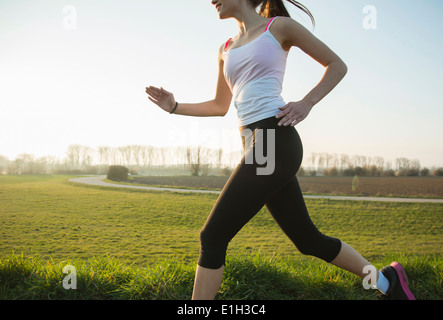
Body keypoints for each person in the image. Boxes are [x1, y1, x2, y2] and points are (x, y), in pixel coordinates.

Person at [145, 0, 415, 300]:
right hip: (254, 143)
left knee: (212, 236)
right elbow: (221, 105)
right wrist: (174, 107)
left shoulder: (278, 28)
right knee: (308, 240)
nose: (211, 0)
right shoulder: (225, 48)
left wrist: (307, 103)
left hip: (274, 137)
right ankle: (388, 283)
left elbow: (337, 65)